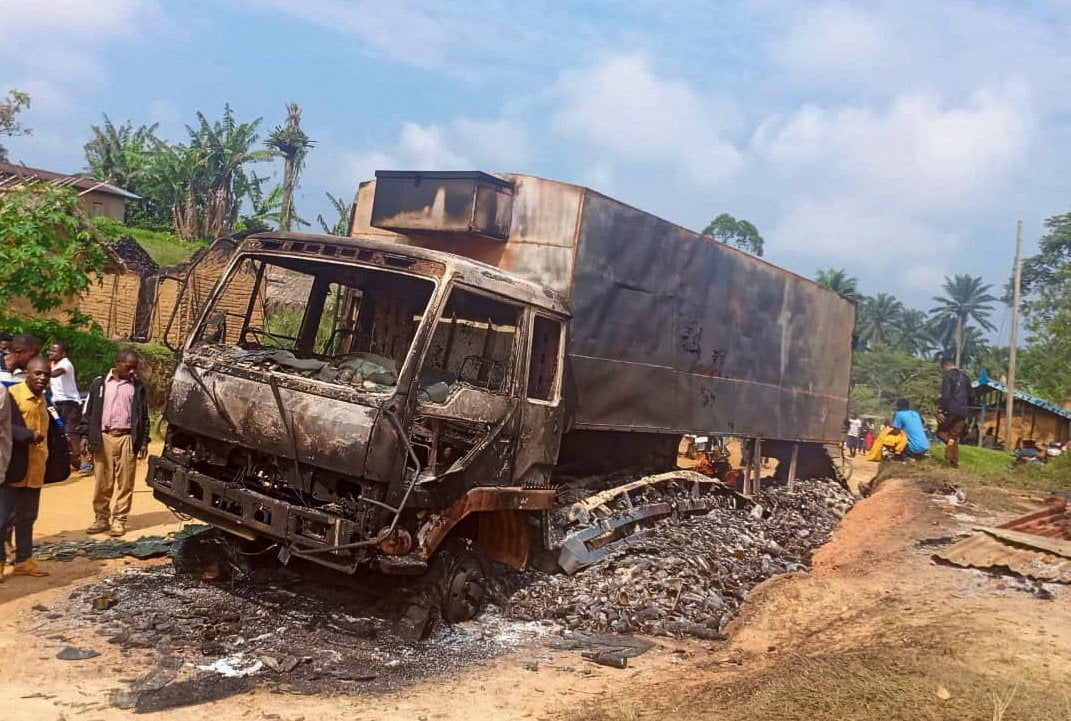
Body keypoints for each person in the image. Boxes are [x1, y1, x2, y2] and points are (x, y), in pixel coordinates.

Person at [79, 348, 150, 538]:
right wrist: (85, 436)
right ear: (118, 363)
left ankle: (119, 520)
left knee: (125, 482)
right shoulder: (99, 384)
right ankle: (101, 518)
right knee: (103, 481)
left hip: (127, 438)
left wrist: (143, 441)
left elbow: (144, 416)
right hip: (103, 438)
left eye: (135, 368)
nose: (133, 372)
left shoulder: (138, 387)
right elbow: (89, 412)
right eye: (129, 367)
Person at [0, 357, 52, 578]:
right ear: (27, 373)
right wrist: (29, 435)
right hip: (14, 466)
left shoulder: (44, 400)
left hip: (36, 468)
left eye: (46, 374)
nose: (42, 378)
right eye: (37, 373)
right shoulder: (13, 396)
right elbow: (6, 426)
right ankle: (1, 562)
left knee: (28, 516)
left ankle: (24, 560)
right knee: (3, 518)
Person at [48, 341, 91, 474]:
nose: (51, 353)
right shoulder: (51, 364)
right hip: (57, 403)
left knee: (70, 432)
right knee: (57, 433)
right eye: (50, 350)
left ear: (63, 353)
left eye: (54, 351)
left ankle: (85, 462)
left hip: (70, 403)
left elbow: (56, 374)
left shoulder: (66, 364)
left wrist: (39, 372)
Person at [937, 356, 971, 468]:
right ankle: (954, 463)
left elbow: (946, 395)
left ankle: (950, 445)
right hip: (963, 411)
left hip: (951, 410)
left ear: (945, 365)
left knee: (941, 432)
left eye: (943, 368)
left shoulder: (948, 376)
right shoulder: (966, 377)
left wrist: (941, 410)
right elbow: (971, 396)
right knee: (953, 436)